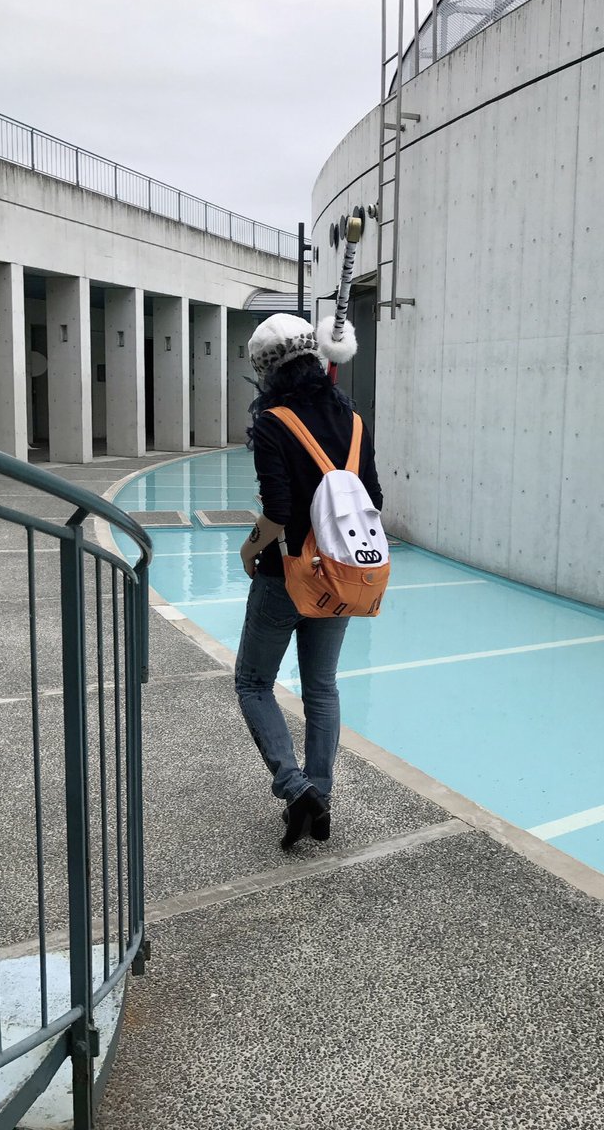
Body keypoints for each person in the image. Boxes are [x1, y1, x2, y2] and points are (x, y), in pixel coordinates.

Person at [234, 312, 383, 848]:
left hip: (285, 576)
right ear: (317, 358)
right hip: (339, 578)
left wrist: (249, 549)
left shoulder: (273, 422)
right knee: (321, 687)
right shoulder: (354, 422)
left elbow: (278, 511)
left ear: (265, 371)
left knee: (254, 683)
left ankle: (296, 788)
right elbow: (373, 500)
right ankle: (320, 793)